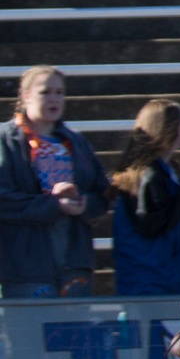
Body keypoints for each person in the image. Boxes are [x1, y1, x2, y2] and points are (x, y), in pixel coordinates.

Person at [0, 66, 104, 298]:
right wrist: (53, 205)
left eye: (59, 92)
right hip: (26, 268)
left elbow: (102, 194)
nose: (54, 99)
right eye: (45, 92)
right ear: (26, 95)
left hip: (73, 264)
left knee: (75, 331)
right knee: (28, 332)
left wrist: (84, 203)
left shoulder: (76, 142)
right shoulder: (6, 141)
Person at [109, 99, 180, 297]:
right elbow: (153, 222)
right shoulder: (147, 175)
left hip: (170, 279)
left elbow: (176, 217)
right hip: (151, 281)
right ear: (173, 130)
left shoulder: (167, 170)